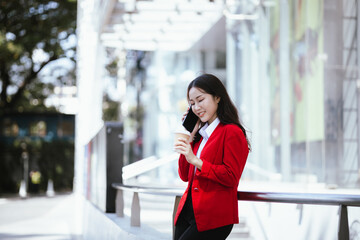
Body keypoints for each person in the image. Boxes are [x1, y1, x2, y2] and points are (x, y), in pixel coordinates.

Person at [173, 73, 250, 240]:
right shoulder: (200, 135)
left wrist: (196, 161)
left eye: (201, 100)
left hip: (213, 217)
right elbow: (185, 175)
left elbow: (231, 176)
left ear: (217, 97)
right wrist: (190, 135)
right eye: (192, 103)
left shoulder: (231, 132)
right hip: (188, 211)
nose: (196, 107)